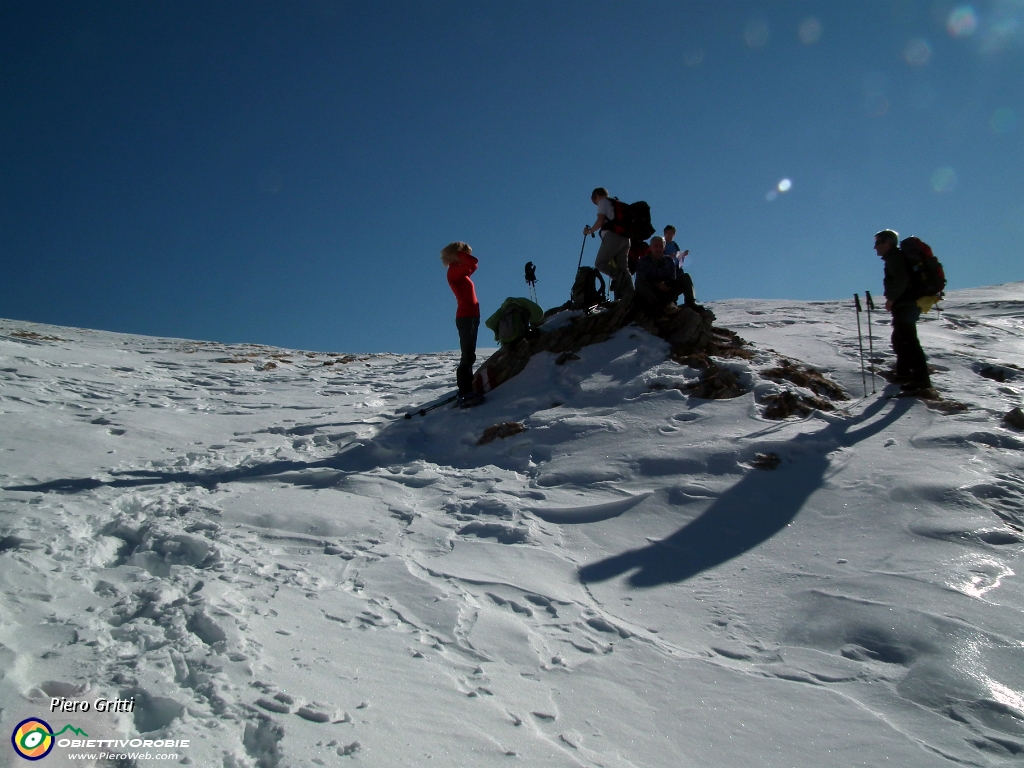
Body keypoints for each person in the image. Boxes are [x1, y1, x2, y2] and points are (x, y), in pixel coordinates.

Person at [874, 229, 931, 392]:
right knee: (900, 338)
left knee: (908, 340)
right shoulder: (895, 258)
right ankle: (904, 373)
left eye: (878, 243)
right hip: (908, 303)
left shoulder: (894, 259)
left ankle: (921, 379)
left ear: (888, 243)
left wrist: (891, 298)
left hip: (905, 303)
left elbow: (901, 279)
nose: (875, 247)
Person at [441, 241, 485, 408]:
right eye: (463, 253)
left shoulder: (460, 272)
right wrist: (459, 253)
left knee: (469, 353)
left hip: (471, 315)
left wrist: (460, 255)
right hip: (466, 316)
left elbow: (473, 267)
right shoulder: (453, 271)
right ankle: (466, 393)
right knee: (467, 354)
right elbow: (473, 262)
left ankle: (467, 389)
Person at [584, 188, 633, 300]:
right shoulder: (615, 203)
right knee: (623, 267)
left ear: (596, 197)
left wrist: (589, 231)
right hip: (626, 238)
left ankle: (621, 281)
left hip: (612, 236)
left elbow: (600, 220)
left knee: (600, 263)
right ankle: (631, 291)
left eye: (594, 201)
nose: (596, 204)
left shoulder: (603, 202)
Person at [634, 236, 697, 315]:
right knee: (639, 282)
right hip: (650, 296)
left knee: (686, 277)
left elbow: (672, 279)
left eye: (661, 246)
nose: (658, 249)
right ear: (651, 247)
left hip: (666, 293)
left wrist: (666, 285)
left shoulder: (669, 260)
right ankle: (656, 309)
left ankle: (691, 303)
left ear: (664, 248)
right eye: (656, 246)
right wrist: (656, 284)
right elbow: (641, 280)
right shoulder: (643, 261)